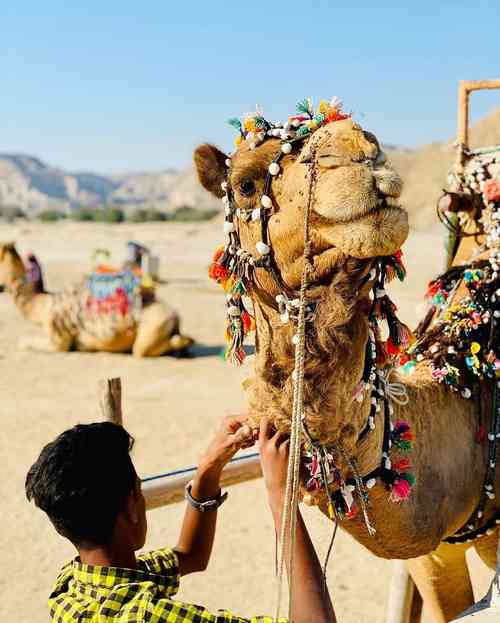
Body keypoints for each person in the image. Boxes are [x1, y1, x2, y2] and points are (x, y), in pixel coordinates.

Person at [25, 416, 334, 623]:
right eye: (139, 490)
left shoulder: (72, 587)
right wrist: (280, 493)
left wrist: (209, 468)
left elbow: (191, 556)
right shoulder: (148, 616)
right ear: (132, 506)